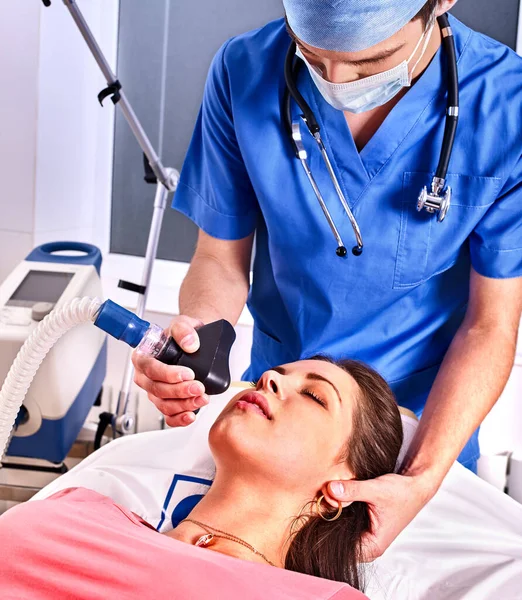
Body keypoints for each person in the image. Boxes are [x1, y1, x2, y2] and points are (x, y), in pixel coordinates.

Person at [133, 0, 522, 561]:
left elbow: (491, 324)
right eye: (311, 54)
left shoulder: (506, 108)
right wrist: (199, 340)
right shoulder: (245, 72)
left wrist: (420, 478)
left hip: (419, 428)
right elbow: (218, 259)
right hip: (276, 412)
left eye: (370, 63)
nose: (335, 80)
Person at [0, 358, 402, 598]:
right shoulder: (80, 505)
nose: (269, 379)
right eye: (274, 373)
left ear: (341, 488)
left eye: (314, 396)